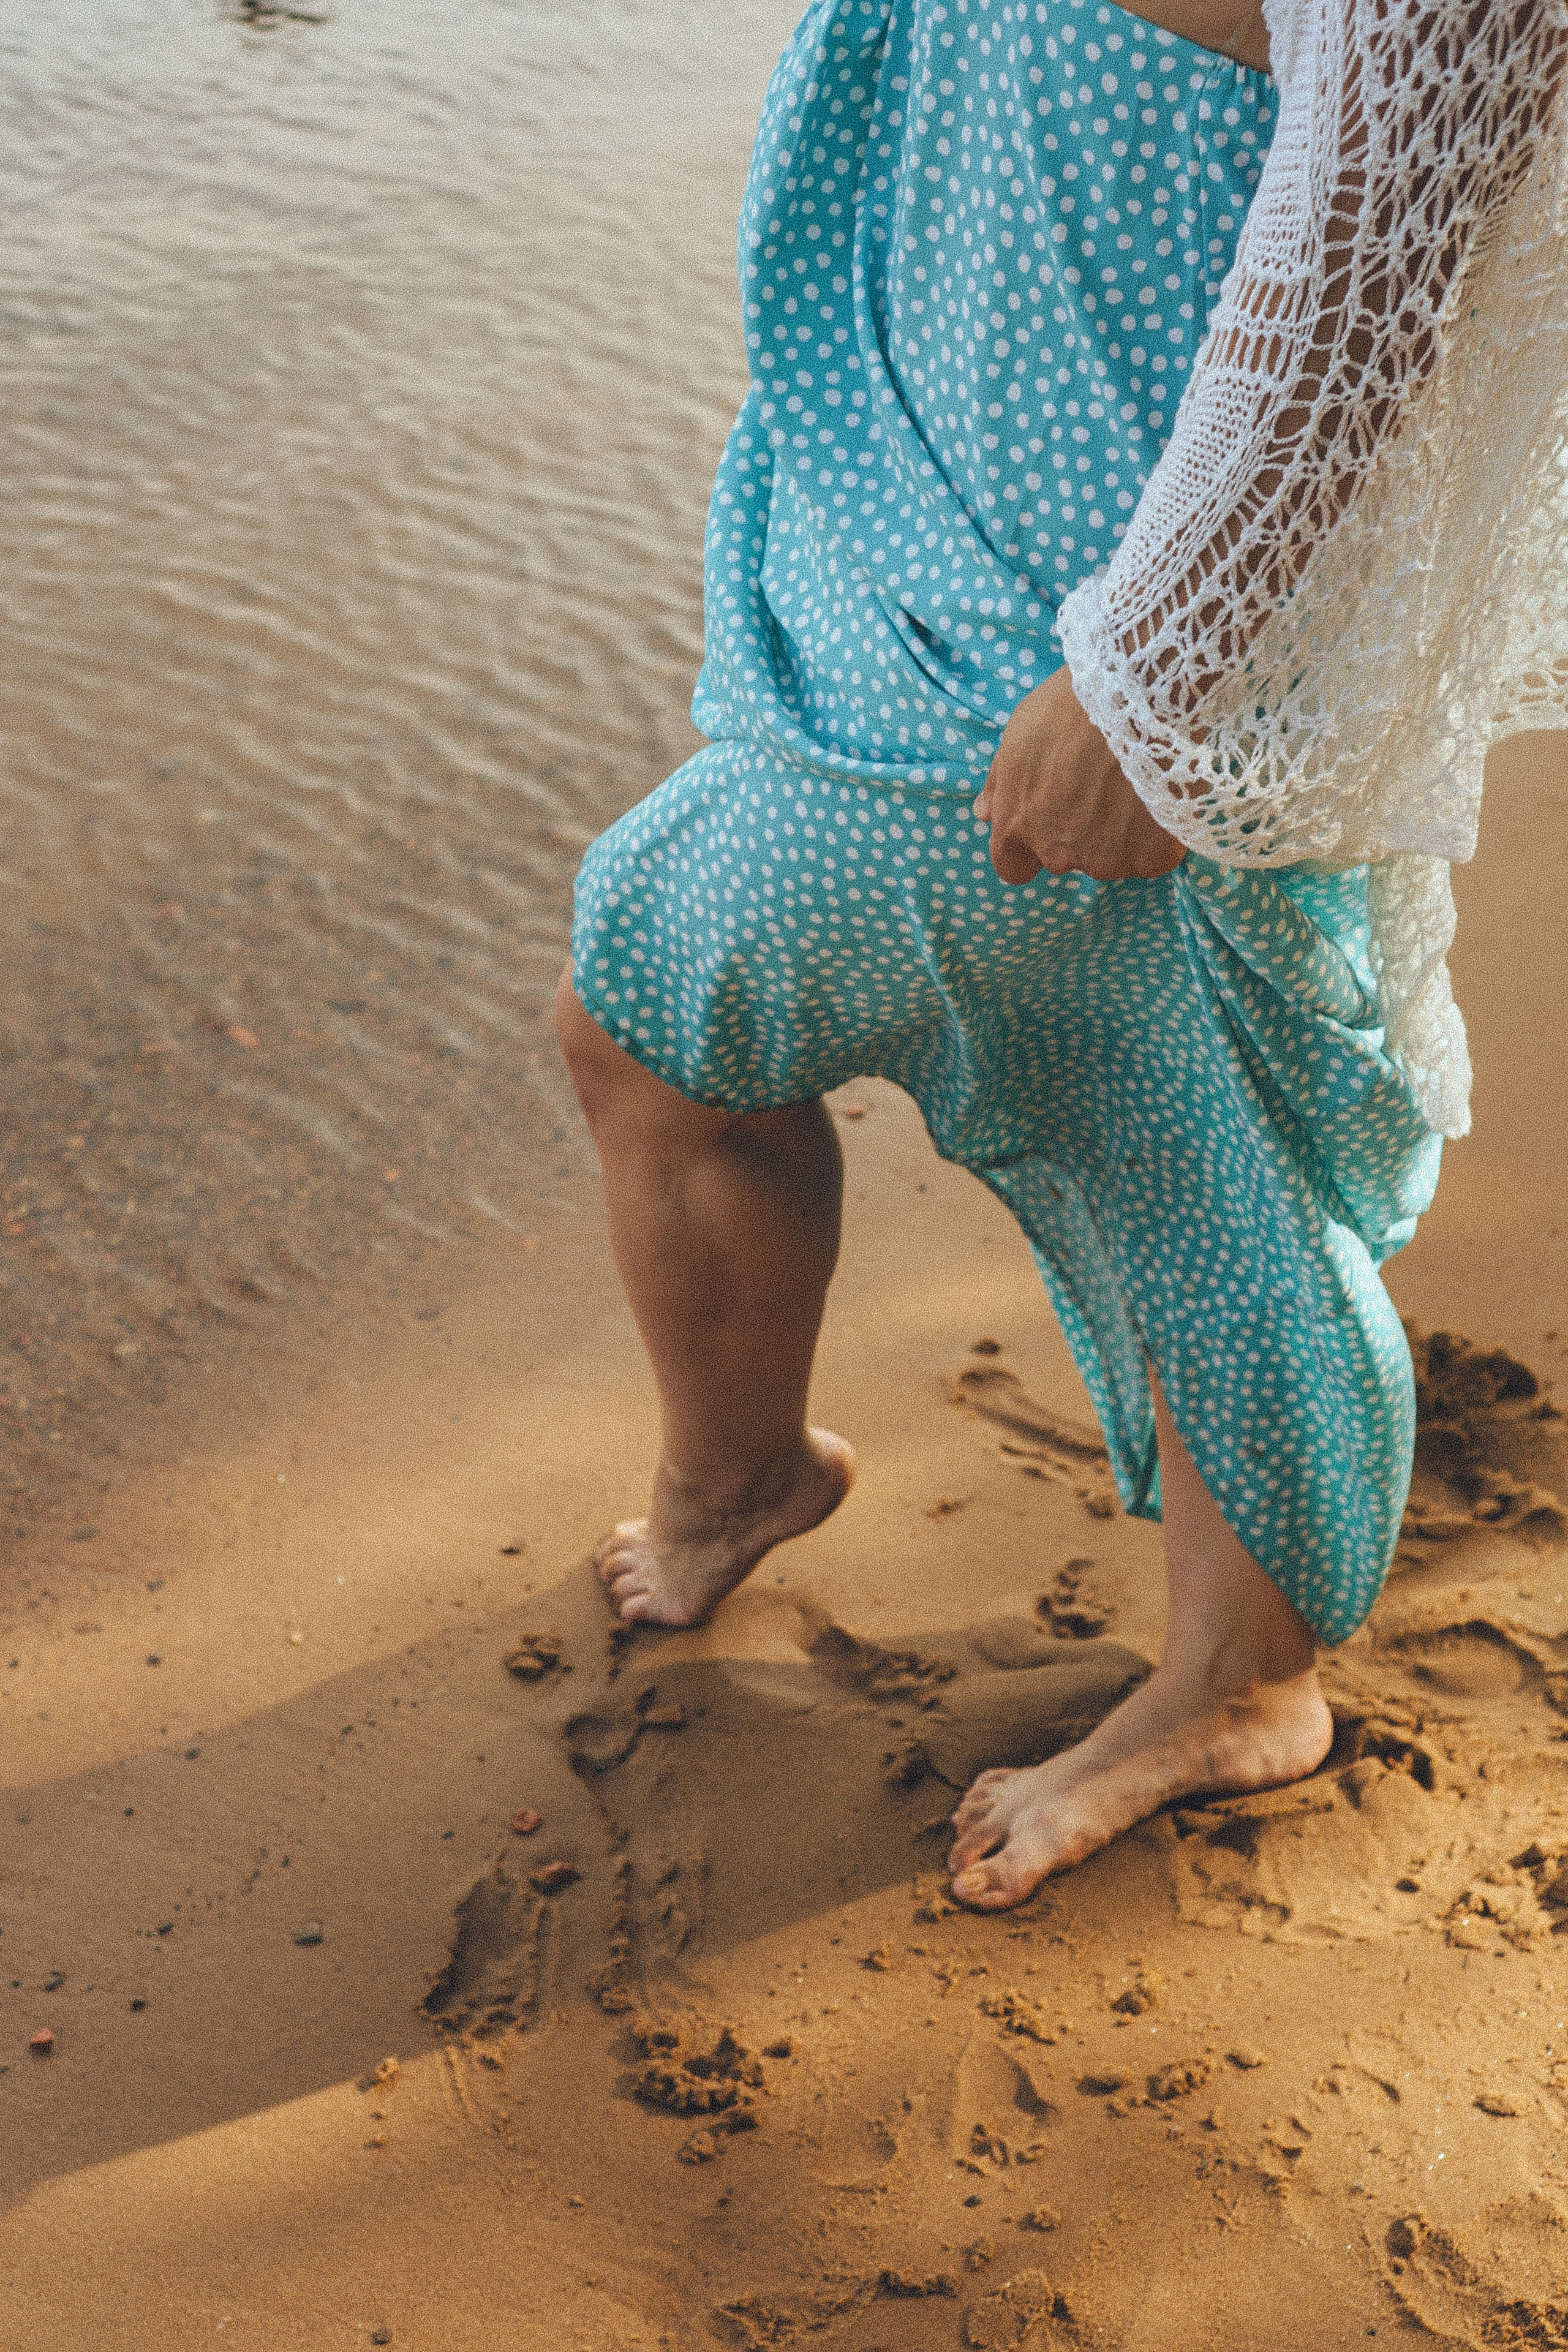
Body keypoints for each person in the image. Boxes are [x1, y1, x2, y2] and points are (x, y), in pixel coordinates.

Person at [557, 0, 1568, 1909]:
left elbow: (1398, 194)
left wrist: (1154, 675)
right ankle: (1193, 1652)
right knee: (1213, 1151)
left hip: (1089, 639)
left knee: (669, 1008)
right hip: (968, 587)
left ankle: (1222, 1676)